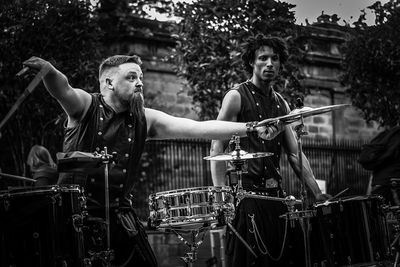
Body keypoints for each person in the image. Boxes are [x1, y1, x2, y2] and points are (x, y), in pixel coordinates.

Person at [21, 55, 275, 267]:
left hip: (120, 218)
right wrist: (49, 70)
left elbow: (198, 127)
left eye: (141, 77)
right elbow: (62, 88)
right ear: (108, 82)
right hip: (74, 220)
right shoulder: (86, 106)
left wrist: (251, 127)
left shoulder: (146, 118)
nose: (139, 83)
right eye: (131, 77)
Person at [209, 34, 327, 266]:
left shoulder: (281, 103)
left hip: (277, 198)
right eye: (263, 58)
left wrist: (317, 194)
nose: (269, 63)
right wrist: (220, 198)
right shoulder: (235, 97)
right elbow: (216, 146)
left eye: (275, 58)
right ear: (252, 62)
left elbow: (294, 154)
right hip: (246, 198)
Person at [360, 125, 400, 205]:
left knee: (379, 215)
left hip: (378, 188)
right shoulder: (395, 136)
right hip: (393, 188)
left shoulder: (387, 134)